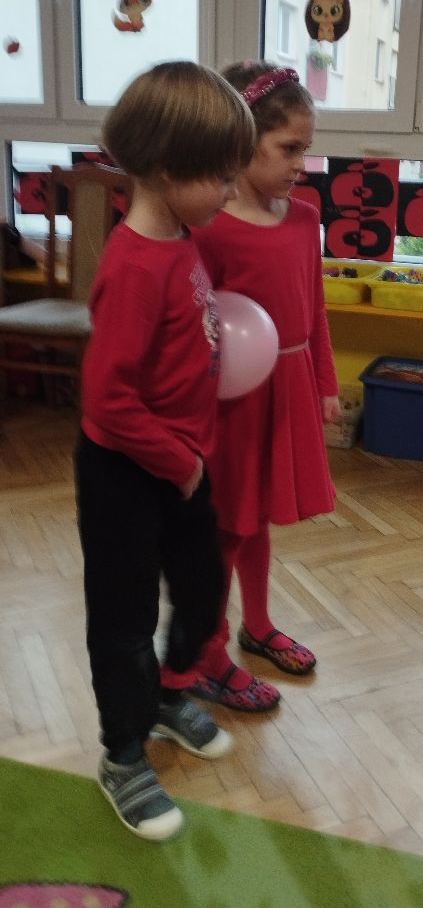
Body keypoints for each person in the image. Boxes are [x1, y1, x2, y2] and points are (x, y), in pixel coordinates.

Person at [74, 61, 256, 840]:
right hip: (126, 469)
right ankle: (122, 753)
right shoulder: (132, 267)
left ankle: (169, 693)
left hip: (181, 463)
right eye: (219, 177)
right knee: (124, 617)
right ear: (166, 171)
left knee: (202, 585)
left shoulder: (183, 238)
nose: (230, 191)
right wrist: (179, 463)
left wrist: (190, 459)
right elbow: (107, 402)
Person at [161, 60, 341, 713]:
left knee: (256, 516)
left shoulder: (304, 216)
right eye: (288, 148)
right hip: (232, 401)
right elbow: (194, 325)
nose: (301, 164)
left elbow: (314, 308)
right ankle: (206, 653)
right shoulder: (210, 226)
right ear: (241, 143)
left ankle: (257, 626)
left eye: (305, 149)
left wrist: (324, 380)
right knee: (227, 528)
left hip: (287, 384)